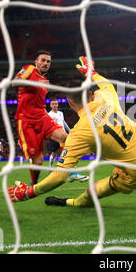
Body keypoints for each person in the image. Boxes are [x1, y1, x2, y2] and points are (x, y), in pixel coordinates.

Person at [8, 56, 136, 207]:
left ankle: (68, 202)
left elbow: (59, 177)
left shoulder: (79, 133)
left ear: (70, 103)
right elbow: (104, 83)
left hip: (132, 173)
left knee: (90, 194)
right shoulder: (106, 96)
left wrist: (28, 193)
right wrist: (91, 72)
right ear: (91, 94)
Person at [13, 50, 85, 185]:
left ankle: (68, 171)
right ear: (36, 62)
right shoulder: (30, 69)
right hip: (26, 121)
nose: (46, 63)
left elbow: (38, 101)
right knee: (38, 161)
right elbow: (15, 82)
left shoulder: (45, 82)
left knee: (65, 137)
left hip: (41, 116)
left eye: (48, 61)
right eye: (43, 60)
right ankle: (34, 183)